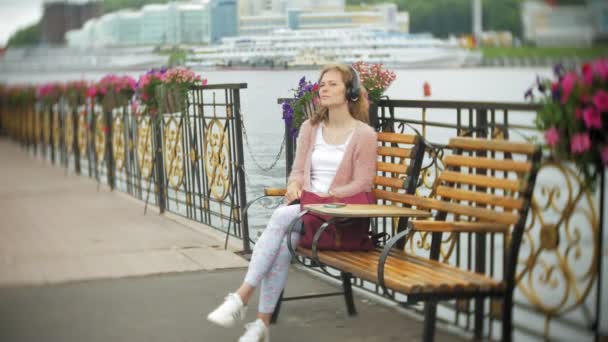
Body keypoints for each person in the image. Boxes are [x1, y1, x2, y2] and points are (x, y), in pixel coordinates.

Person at [206, 64, 378, 342]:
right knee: (283, 239)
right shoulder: (311, 128)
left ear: (351, 92)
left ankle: (241, 297)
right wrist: (295, 185)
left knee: (281, 219)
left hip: (341, 219)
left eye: (333, 84)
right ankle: (261, 325)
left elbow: (363, 183)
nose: (324, 88)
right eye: (322, 83)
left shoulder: (365, 135)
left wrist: (325, 197)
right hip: (308, 213)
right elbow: (298, 171)